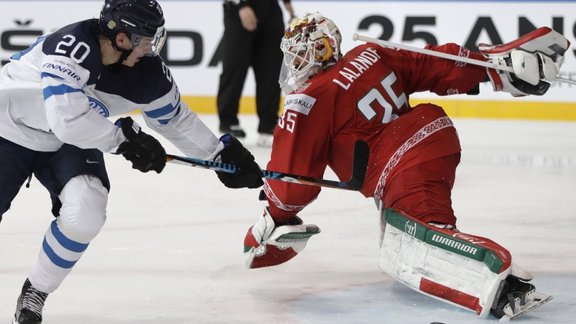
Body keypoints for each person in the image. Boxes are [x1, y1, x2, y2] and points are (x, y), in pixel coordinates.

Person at [241, 13, 568, 319]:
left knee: (406, 246)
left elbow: (292, 183)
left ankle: (498, 281)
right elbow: (432, 64)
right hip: (433, 140)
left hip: (401, 163)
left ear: (318, 51)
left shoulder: (308, 99)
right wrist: (491, 68)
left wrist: (275, 216)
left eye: (298, 55)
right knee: (417, 222)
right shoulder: (369, 53)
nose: (293, 63)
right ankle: (443, 232)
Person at [0, 0, 263, 323]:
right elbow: (65, 118)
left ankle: (35, 291)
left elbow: (175, 120)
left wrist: (218, 156)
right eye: (147, 39)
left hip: (69, 141)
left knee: (87, 208)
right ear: (122, 39)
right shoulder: (72, 45)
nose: (151, 48)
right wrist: (123, 141)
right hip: (8, 129)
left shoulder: (146, 70)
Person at [217, 0, 295, 147]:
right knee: (235, 67)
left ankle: (269, 124)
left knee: (271, 69)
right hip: (238, 9)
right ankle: (228, 121)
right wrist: (242, 5)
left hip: (270, 8)